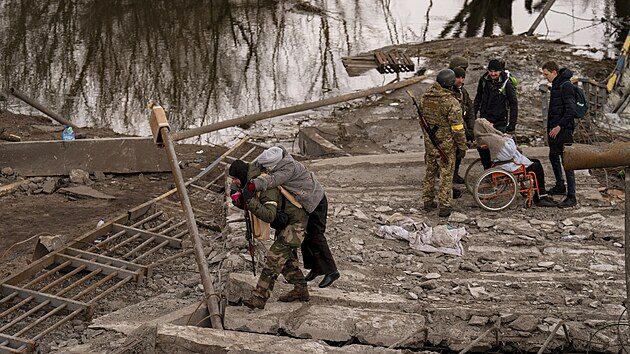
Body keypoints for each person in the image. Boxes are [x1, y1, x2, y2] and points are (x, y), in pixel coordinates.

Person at [250, 146, 340, 288]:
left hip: (315, 201)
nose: (267, 170)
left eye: (268, 168)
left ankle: (331, 271)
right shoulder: (279, 159)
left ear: (275, 164)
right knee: (306, 236)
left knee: (316, 235)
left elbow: (272, 180)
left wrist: (252, 185)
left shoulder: (288, 167)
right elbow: (257, 166)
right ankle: (315, 268)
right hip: (306, 202)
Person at [229, 160, 310, 309]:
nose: (233, 182)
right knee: (287, 261)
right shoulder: (251, 183)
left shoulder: (265, 185)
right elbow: (253, 204)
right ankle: (301, 290)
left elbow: (269, 215)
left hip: (296, 224)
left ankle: (259, 298)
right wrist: (239, 201)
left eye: (235, 178)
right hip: (287, 224)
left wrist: (248, 199)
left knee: (274, 259)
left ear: (242, 175)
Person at [473, 118, 557, 207]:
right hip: (506, 164)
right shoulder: (492, 139)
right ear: (485, 127)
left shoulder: (485, 137)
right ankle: (541, 196)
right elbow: (509, 153)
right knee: (537, 167)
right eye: (489, 124)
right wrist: (509, 139)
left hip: (502, 163)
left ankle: (540, 194)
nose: (492, 124)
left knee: (536, 161)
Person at [420, 69, 467, 218]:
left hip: (430, 143)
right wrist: (462, 146)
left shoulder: (425, 97)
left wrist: (428, 137)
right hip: (445, 145)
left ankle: (427, 201)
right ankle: (445, 206)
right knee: (446, 174)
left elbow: (422, 120)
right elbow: (458, 129)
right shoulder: (451, 103)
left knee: (430, 172)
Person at [542, 61, 577, 208]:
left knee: (567, 162)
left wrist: (559, 126)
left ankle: (572, 196)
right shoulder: (556, 85)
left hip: (563, 130)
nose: (545, 78)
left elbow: (571, 110)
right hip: (555, 130)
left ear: (554, 72)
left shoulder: (565, 86)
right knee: (553, 156)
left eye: (546, 74)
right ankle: (560, 185)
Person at [473, 59, 518, 169]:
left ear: (500, 71)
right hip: (485, 121)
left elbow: (513, 103)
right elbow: (478, 99)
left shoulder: (507, 83)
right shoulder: (483, 81)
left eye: (496, 71)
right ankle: (487, 171)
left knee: (498, 149)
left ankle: (500, 173)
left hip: (500, 121)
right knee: (483, 148)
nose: (493, 74)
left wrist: (511, 125)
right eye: (491, 71)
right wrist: (473, 117)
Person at [449, 56, 475, 184]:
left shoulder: (462, 91)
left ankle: (455, 174)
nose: (461, 79)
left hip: (461, 128)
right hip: (450, 130)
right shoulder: (446, 90)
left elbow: (470, 111)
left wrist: (471, 128)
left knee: (460, 152)